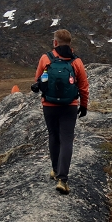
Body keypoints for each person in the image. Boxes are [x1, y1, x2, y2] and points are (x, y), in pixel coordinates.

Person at [30, 29, 89, 194]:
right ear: (70, 43)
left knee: (53, 136)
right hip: (69, 106)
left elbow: (38, 80)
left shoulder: (45, 58)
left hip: (49, 105)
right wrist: (83, 105)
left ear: (55, 42)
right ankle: (63, 180)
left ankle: (55, 171)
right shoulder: (76, 62)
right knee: (67, 140)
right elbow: (83, 86)